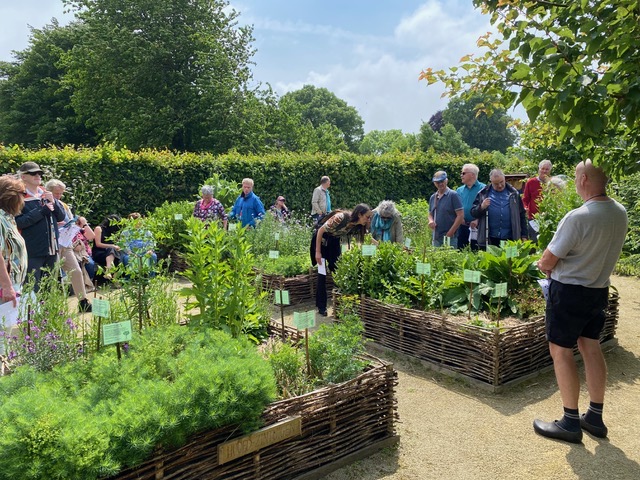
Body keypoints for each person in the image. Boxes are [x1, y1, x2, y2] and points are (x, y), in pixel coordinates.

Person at [533, 159, 628, 444]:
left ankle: (570, 422)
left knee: (561, 351)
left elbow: (549, 259)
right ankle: (595, 418)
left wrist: (542, 263)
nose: (575, 183)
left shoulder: (578, 216)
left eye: (576, 178)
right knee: (591, 346)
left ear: (584, 179)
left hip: (570, 293)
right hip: (598, 290)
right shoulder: (619, 212)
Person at [311, 204, 372, 316]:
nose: (369, 220)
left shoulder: (358, 226)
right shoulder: (341, 217)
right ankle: (321, 306)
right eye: (367, 217)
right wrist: (318, 252)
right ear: (359, 214)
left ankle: (340, 305)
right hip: (321, 241)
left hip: (333, 242)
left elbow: (368, 239)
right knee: (322, 274)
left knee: (338, 271)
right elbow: (320, 230)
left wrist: (384, 246)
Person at [15, 162, 65, 291]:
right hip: (32, 251)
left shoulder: (46, 193)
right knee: (32, 289)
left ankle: (48, 312)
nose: (37, 175)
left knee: (50, 289)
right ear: (23, 176)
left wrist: (54, 202)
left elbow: (61, 217)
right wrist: (41, 211)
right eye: (33, 173)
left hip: (52, 250)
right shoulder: (18, 197)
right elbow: (18, 222)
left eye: (39, 173)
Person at [45, 179, 91, 312]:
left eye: (61, 193)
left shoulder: (64, 205)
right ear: (49, 191)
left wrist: (72, 225)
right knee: (53, 275)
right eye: (56, 193)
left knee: (76, 270)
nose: (59, 196)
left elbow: (69, 220)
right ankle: (52, 306)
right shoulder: (43, 203)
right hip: (51, 244)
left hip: (65, 243)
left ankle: (83, 302)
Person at [470, 169, 528, 249]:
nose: (500, 185)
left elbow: (522, 215)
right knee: (491, 261)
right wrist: (482, 207)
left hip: (511, 239)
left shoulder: (514, 194)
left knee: (511, 261)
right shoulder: (483, 194)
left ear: (504, 179)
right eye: (496, 184)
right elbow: (473, 213)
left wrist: (524, 235)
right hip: (490, 239)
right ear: (491, 181)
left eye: (501, 182)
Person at [0, 175, 28, 309]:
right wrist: (6, 286)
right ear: (12, 196)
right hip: (3, 288)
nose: (24, 199)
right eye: (23, 194)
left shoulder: (8, 219)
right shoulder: (0, 220)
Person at [428, 171, 464, 247]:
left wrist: (451, 232)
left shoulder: (453, 195)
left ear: (446, 181)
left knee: (449, 258)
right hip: (436, 236)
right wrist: (431, 221)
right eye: (437, 182)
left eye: (442, 181)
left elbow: (460, 216)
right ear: (434, 183)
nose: (440, 184)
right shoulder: (433, 197)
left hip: (451, 237)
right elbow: (430, 214)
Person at [456, 164, 485, 250]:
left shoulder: (483, 189)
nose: (461, 175)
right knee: (460, 250)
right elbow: (456, 207)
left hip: (477, 227)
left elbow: (486, 208)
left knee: (476, 250)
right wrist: (460, 218)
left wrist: (477, 220)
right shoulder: (459, 190)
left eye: (463, 173)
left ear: (472, 174)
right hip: (462, 225)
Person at [522, 159, 552, 242]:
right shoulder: (531, 182)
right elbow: (525, 199)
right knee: (534, 241)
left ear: (550, 171)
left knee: (547, 240)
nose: (544, 171)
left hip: (548, 217)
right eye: (542, 168)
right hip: (534, 218)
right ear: (539, 169)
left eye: (547, 169)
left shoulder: (552, 183)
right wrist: (525, 208)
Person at [92, 214, 122, 280]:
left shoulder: (114, 231)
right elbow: (98, 244)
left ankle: (115, 277)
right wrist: (112, 246)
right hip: (99, 252)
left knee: (119, 255)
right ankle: (108, 272)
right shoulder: (99, 229)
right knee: (111, 249)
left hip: (112, 252)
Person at [71, 216, 96, 290]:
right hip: (72, 254)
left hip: (84, 253)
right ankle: (80, 286)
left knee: (90, 264)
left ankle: (89, 283)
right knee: (78, 266)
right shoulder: (67, 231)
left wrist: (85, 224)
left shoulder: (81, 230)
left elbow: (91, 236)